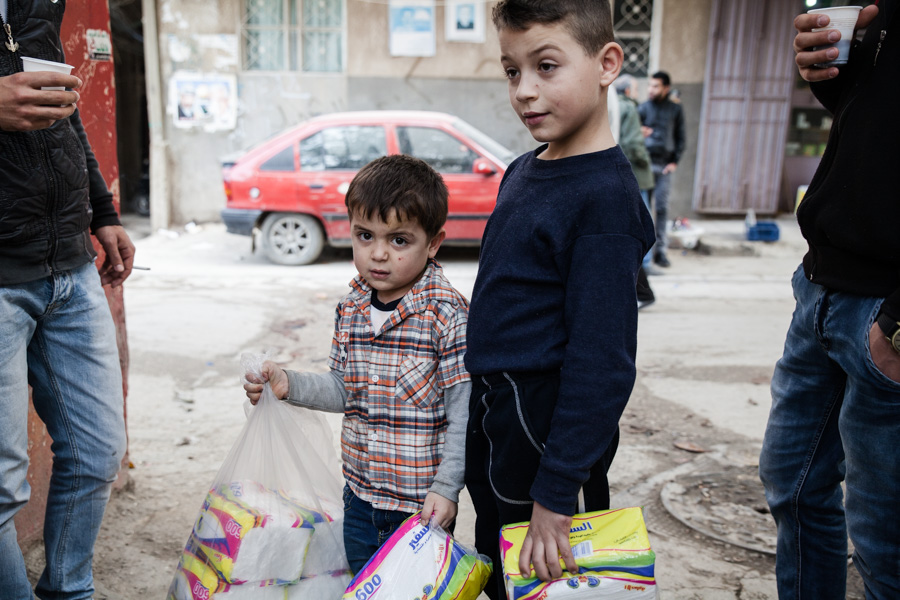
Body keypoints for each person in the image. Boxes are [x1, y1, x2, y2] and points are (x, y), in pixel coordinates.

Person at [462, 1, 654, 597]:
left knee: (543, 573)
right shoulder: (524, 168)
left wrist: (555, 493)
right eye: (512, 71)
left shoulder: (605, 200)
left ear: (607, 64)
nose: (524, 90)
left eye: (546, 66)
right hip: (496, 403)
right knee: (498, 555)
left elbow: (602, 362)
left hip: (543, 420)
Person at [242, 155, 470, 575]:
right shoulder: (351, 309)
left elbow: (463, 415)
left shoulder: (447, 315)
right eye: (365, 236)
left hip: (419, 510)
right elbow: (344, 389)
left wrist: (446, 488)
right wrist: (287, 383)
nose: (378, 254)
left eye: (399, 240)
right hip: (360, 499)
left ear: (433, 243)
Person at [758, 4, 899, 599]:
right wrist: (837, 78)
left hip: (886, 311)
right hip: (821, 284)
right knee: (791, 488)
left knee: (884, 543)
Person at [0, 2, 135, 598]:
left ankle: (68, 590)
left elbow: (64, 111)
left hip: (69, 267)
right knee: (1, 487)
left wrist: (102, 212)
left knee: (99, 451)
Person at [614, 74, 657, 308]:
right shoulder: (629, 108)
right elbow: (632, 143)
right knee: (641, 227)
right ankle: (645, 280)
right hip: (635, 174)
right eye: (636, 89)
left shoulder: (611, 106)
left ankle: (643, 291)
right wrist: (644, 161)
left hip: (618, 174)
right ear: (629, 91)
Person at [638, 70, 686, 269]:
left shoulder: (675, 109)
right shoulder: (642, 108)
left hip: (664, 167)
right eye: (650, 85)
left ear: (666, 88)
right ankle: (644, 254)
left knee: (661, 208)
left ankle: (661, 252)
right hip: (644, 166)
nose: (651, 89)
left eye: (655, 86)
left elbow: (681, 136)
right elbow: (633, 136)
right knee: (643, 210)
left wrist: (675, 161)